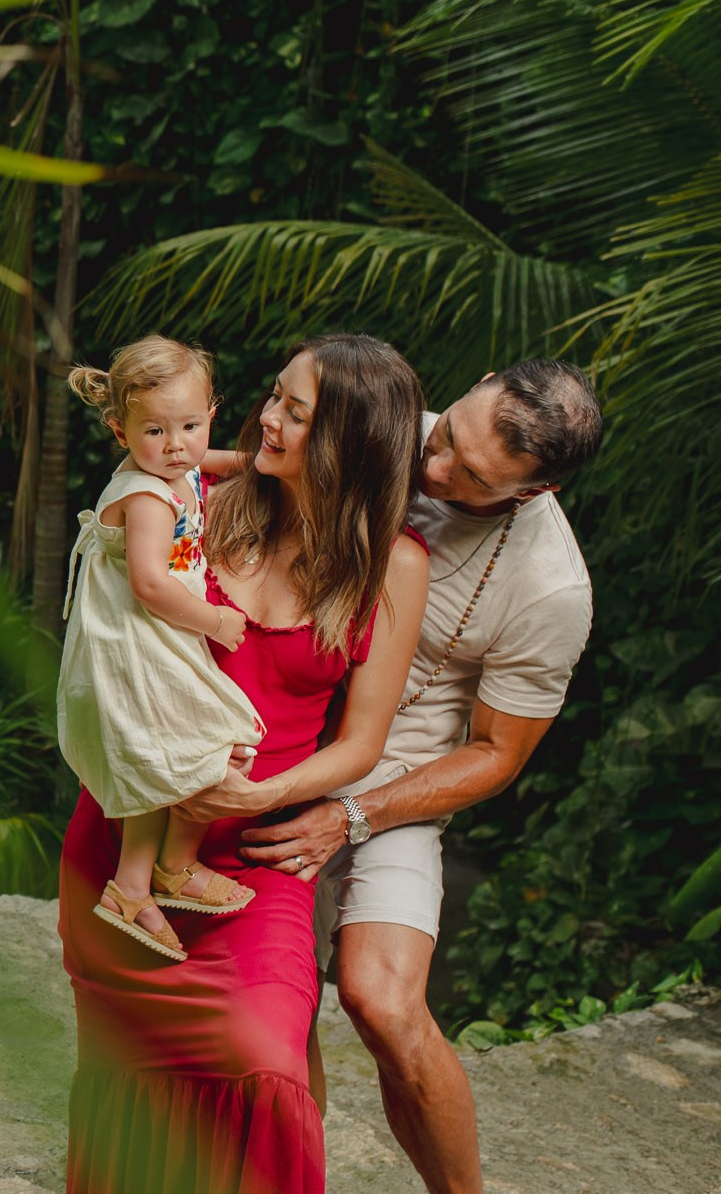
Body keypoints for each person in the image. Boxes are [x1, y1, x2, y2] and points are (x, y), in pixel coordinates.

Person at [60, 331, 430, 1194]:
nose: (267, 419)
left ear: (346, 443)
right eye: (273, 397)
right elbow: (158, 443)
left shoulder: (392, 563)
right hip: (132, 846)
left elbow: (361, 743)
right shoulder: (194, 491)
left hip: (253, 856)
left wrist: (258, 792)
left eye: (295, 414)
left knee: (266, 1060)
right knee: (130, 1081)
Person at [234, 361, 602, 1194]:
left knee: (382, 1002)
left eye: (472, 477)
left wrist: (350, 815)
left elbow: (496, 756)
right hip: (274, 748)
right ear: (473, 385)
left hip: (389, 795)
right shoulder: (385, 424)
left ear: (538, 488)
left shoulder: (550, 588)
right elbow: (258, 465)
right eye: (445, 440)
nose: (435, 472)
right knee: (274, 1014)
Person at [56, 335, 266, 964]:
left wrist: (266, 465)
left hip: (152, 637)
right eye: (155, 431)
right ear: (120, 432)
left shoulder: (181, 464)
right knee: (221, 737)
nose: (177, 445)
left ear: (211, 414)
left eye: (191, 426)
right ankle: (165, 868)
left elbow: (223, 461)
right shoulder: (147, 494)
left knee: (160, 762)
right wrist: (214, 622)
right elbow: (149, 584)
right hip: (136, 642)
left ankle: (140, 882)